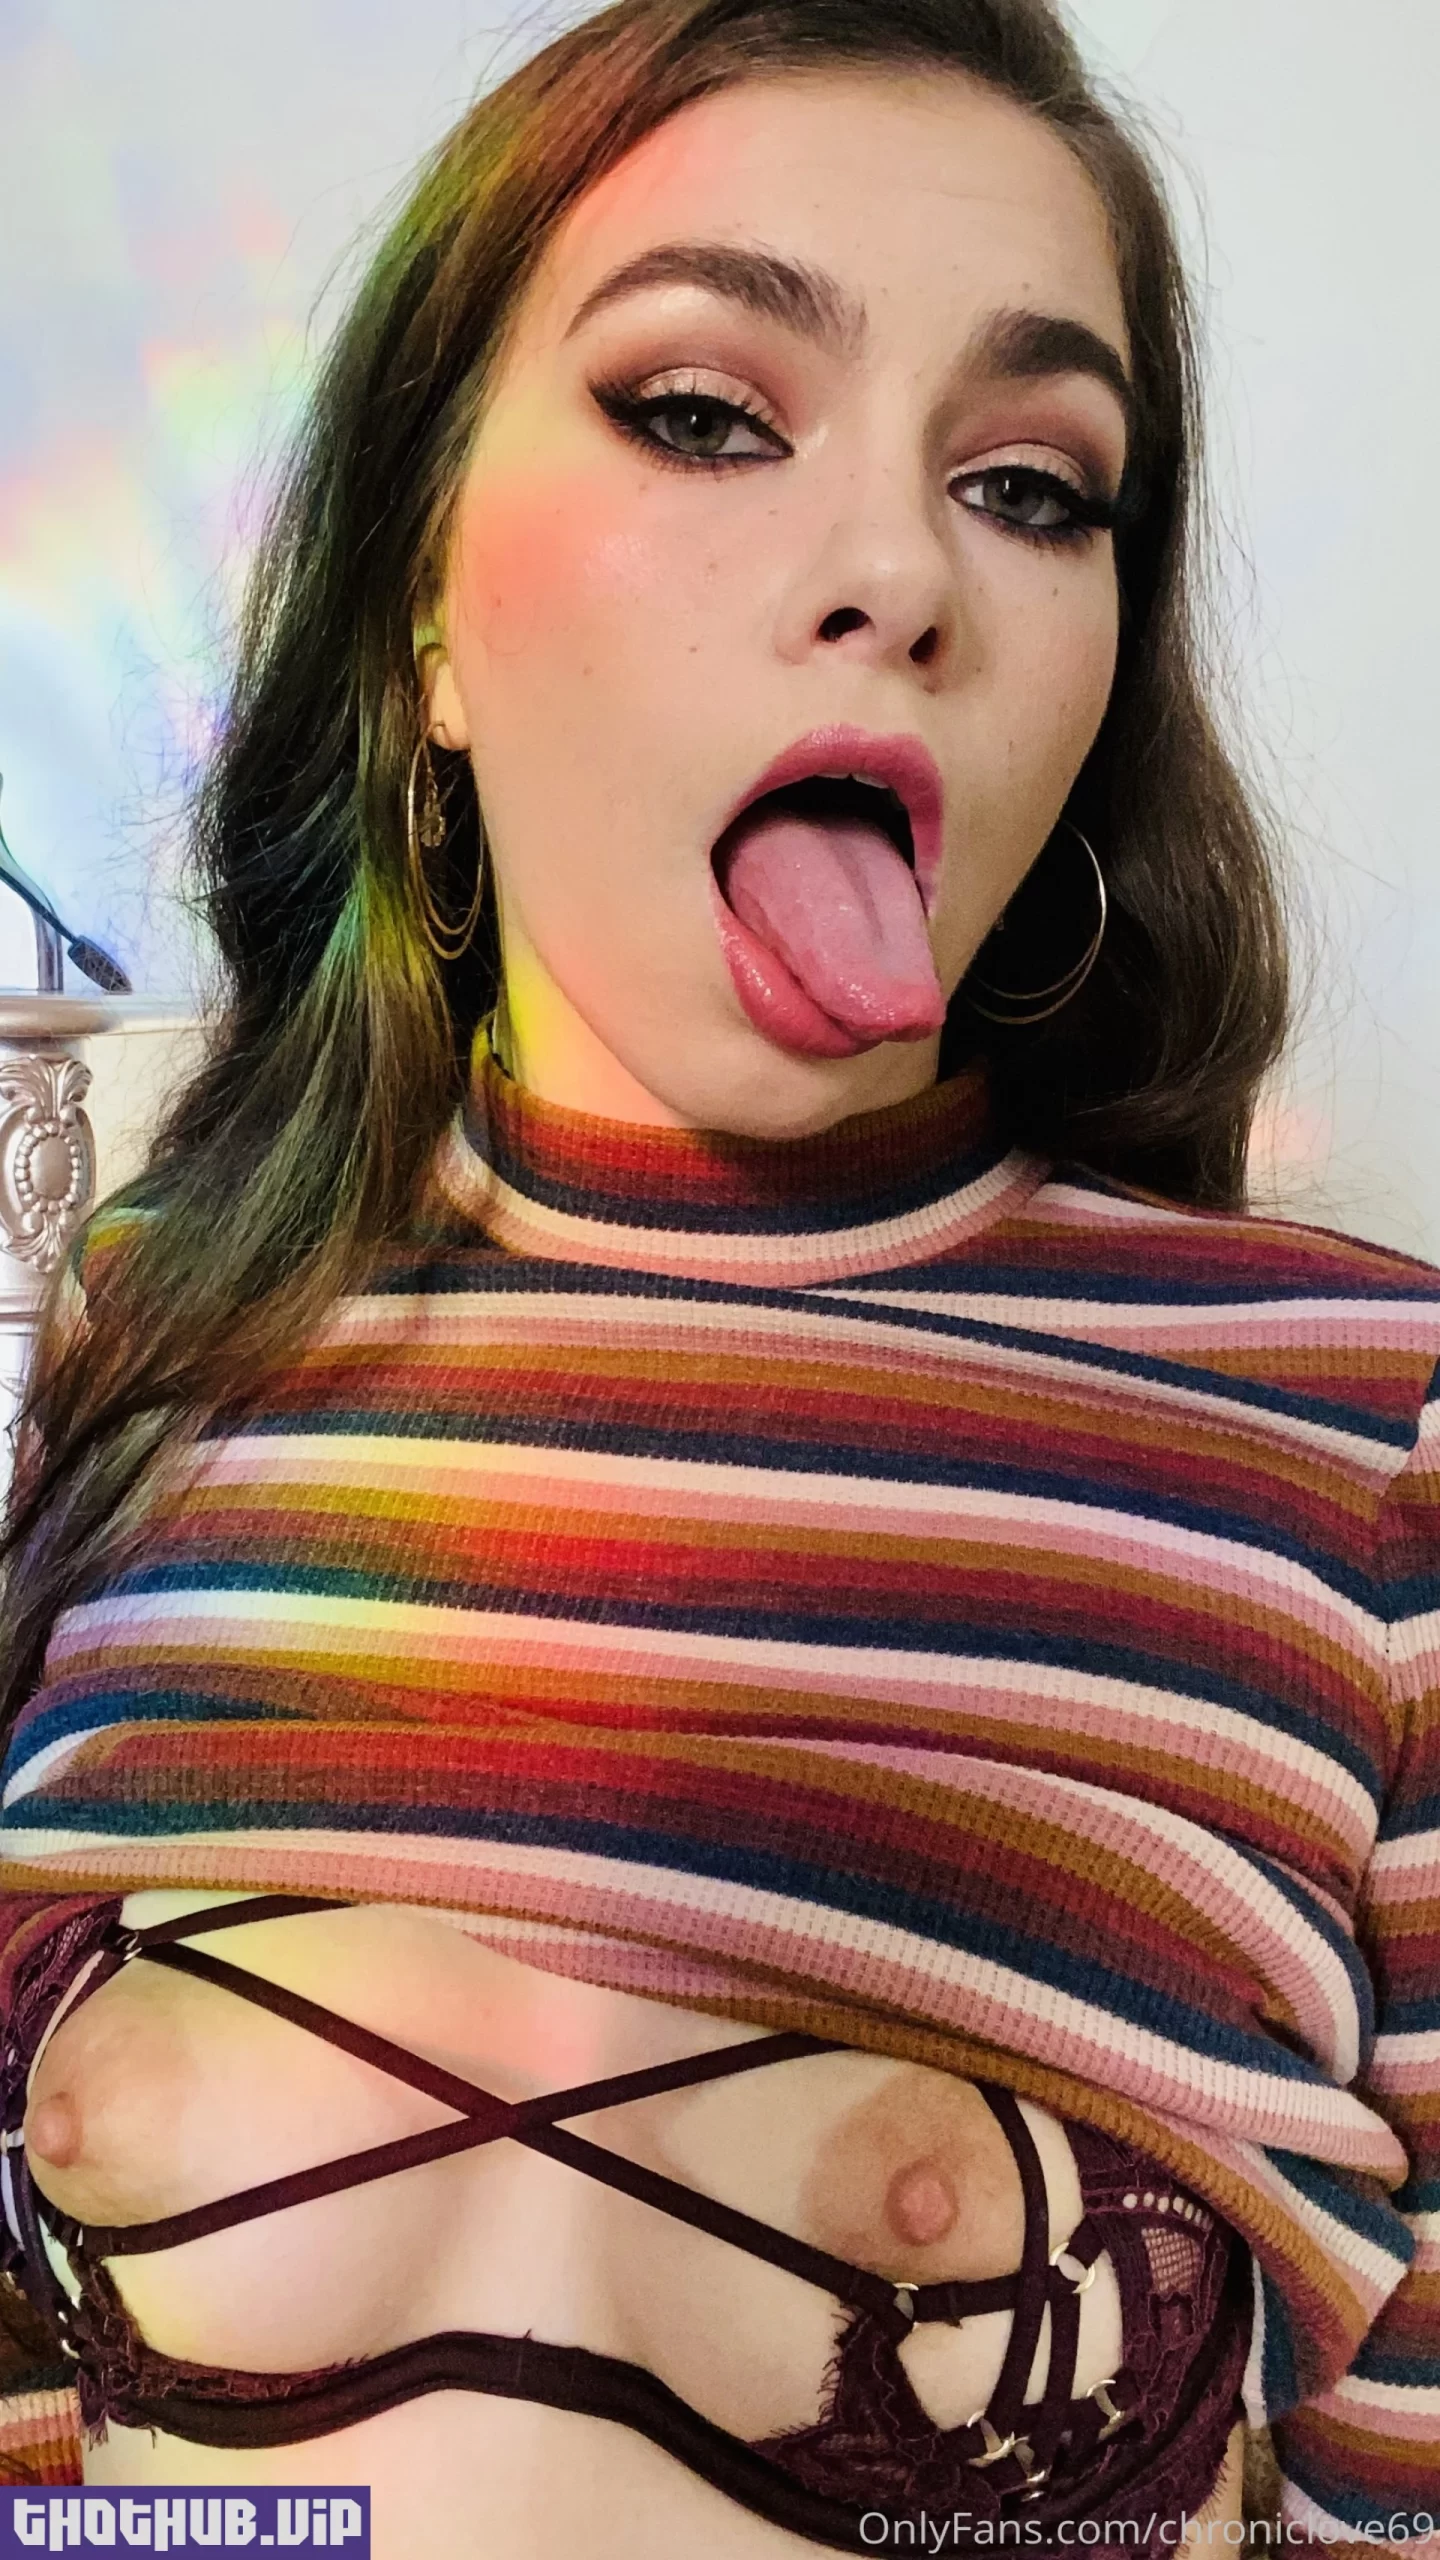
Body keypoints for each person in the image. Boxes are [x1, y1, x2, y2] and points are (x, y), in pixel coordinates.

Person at [0, 1, 1434, 2552]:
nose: (901, 573)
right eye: (702, 411)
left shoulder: (1370, 1435)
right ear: (427, 615)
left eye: (1029, 484)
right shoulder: (155, 1332)